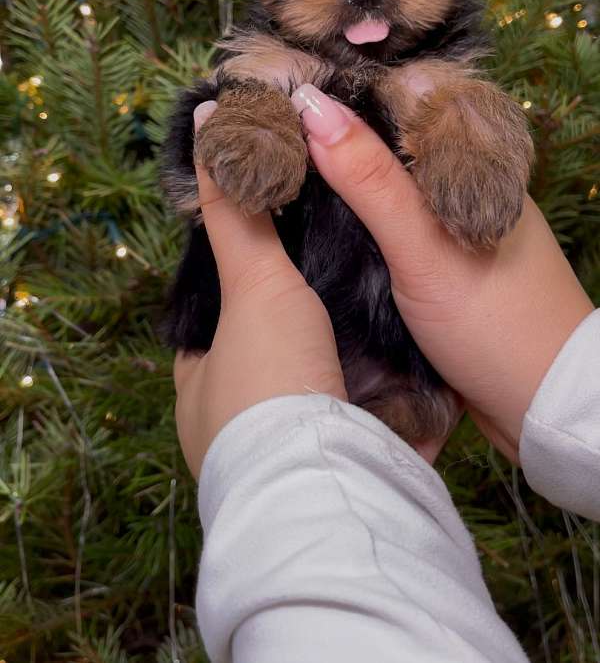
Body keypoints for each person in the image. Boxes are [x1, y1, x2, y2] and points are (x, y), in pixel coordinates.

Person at [174, 83, 599, 663]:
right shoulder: (258, 68)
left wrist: (271, 448)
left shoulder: (444, 80)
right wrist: (572, 386)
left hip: (389, 383)